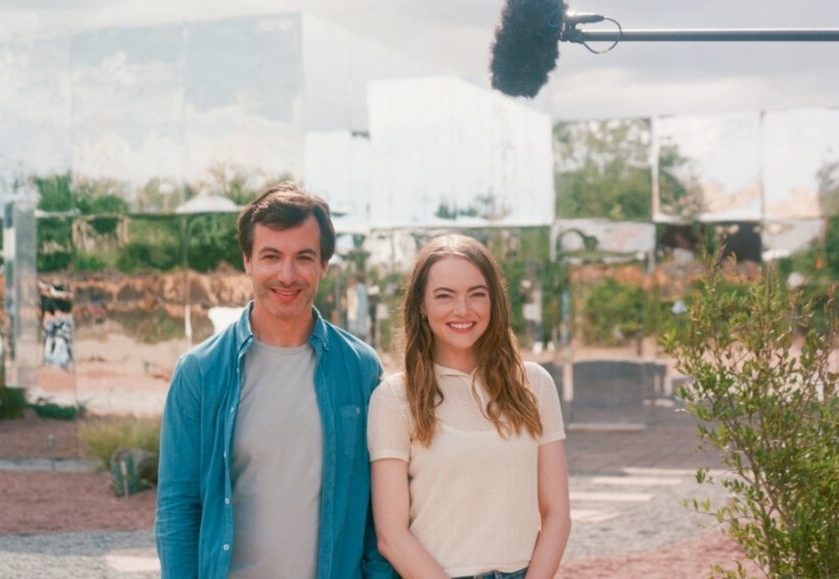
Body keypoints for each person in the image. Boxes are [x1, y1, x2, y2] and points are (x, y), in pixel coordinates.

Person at [155, 182, 392, 578]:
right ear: (247, 260)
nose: (287, 275)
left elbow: (376, 510)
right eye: (271, 256)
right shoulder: (199, 372)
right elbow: (178, 508)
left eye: (303, 257)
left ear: (323, 265)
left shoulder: (361, 370)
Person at [368, 234, 570, 579]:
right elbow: (392, 536)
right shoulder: (394, 398)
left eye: (477, 294)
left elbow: (557, 514)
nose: (463, 310)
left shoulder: (534, 384)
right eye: (444, 296)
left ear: (495, 301)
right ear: (421, 305)